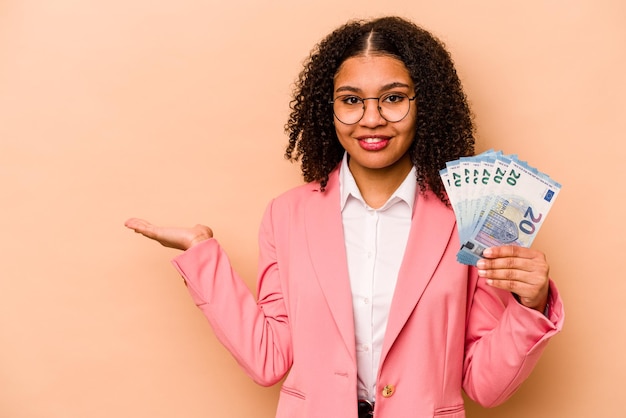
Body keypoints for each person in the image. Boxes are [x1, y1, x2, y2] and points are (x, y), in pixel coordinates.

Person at [125, 16, 564, 418]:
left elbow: (485, 386)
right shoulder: (287, 215)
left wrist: (532, 304)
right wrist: (203, 257)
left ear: (423, 103)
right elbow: (267, 359)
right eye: (351, 100)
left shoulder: (467, 221)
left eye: (393, 98)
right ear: (327, 107)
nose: (371, 120)